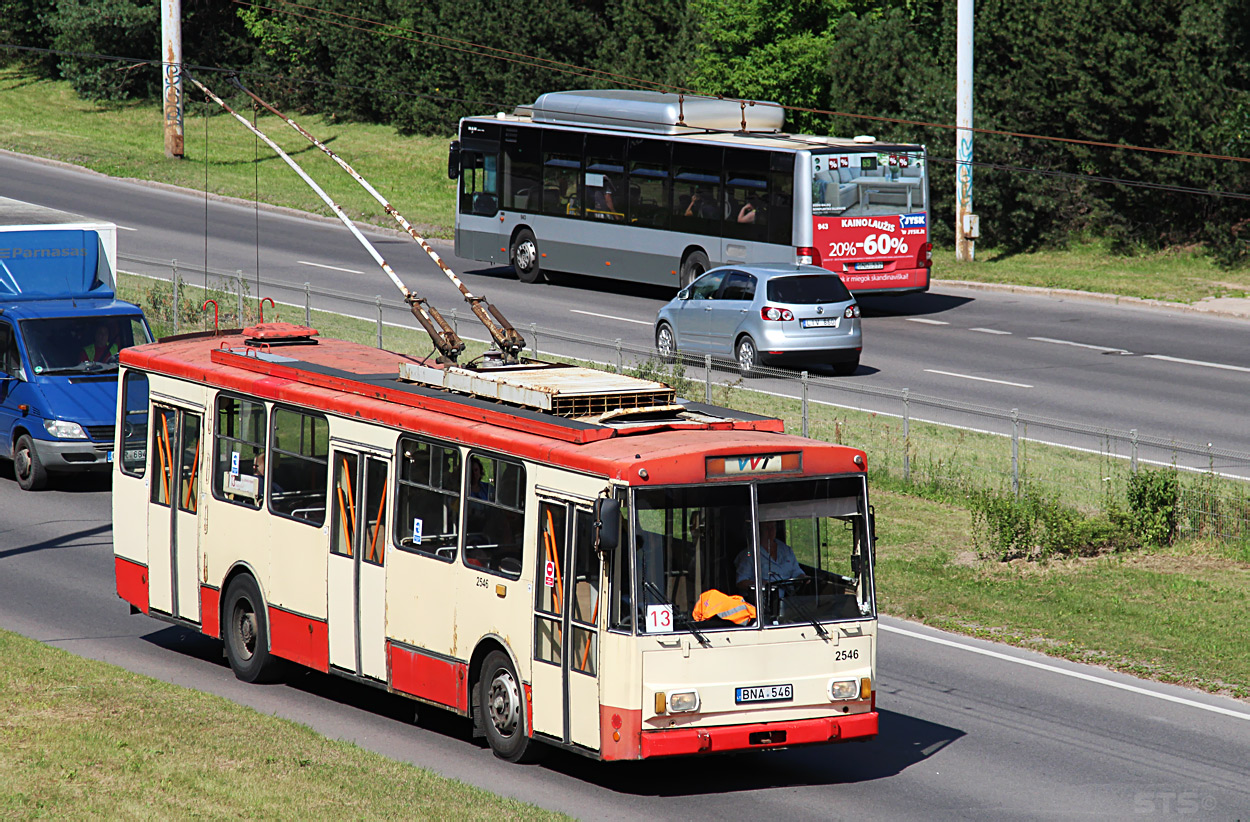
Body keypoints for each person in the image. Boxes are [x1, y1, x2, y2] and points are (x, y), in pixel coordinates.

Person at [735, 520, 804, 595]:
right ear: (759, 530)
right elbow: (741, 582)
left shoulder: (786, 550)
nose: (771, 531)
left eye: (773, 527)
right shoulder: (749, 554)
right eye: (767, 528)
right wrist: (761, 585)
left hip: (789, 601)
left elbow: (797, 572)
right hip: (763, 601)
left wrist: (803, 578)